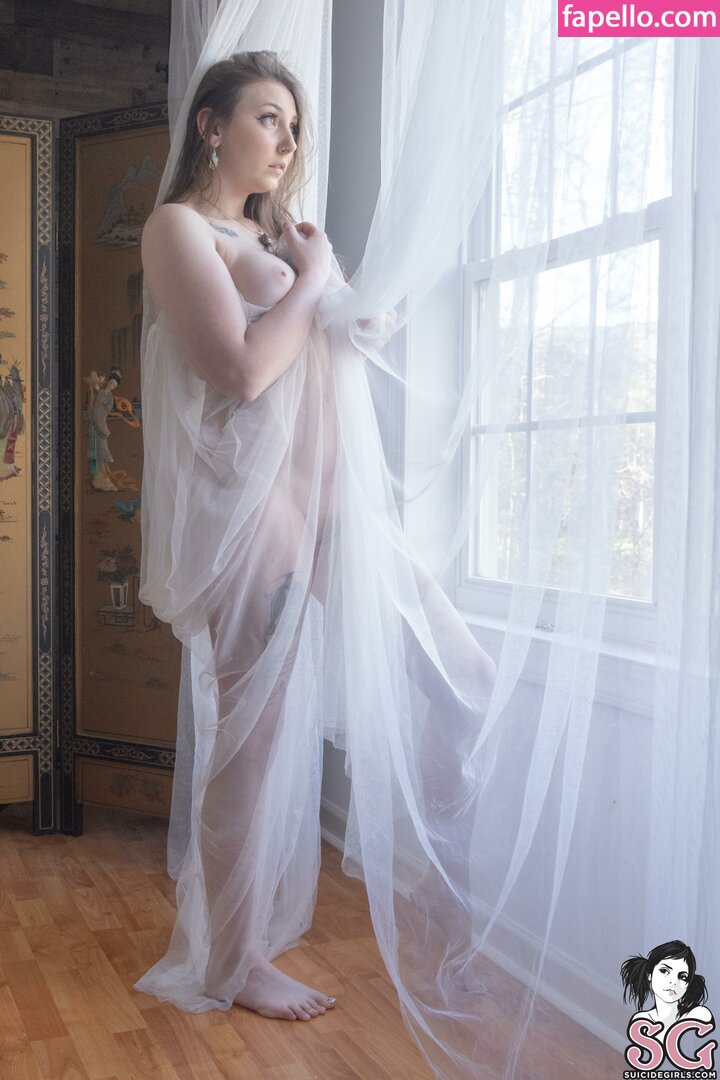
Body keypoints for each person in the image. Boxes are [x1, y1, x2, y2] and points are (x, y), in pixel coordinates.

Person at [136, 49, 497, 1053]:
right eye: (268, 118)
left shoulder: (279, 240)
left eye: (294, 127)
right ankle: (233, 959)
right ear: (211, 125)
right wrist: (317, 278)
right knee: (251, 749)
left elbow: (329, 343)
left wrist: (339, 291)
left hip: (341, 511)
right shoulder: (180, 230)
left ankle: (441, 907)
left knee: (464, 677)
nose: (287, 142)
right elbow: (243, 371)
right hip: (257, 519)